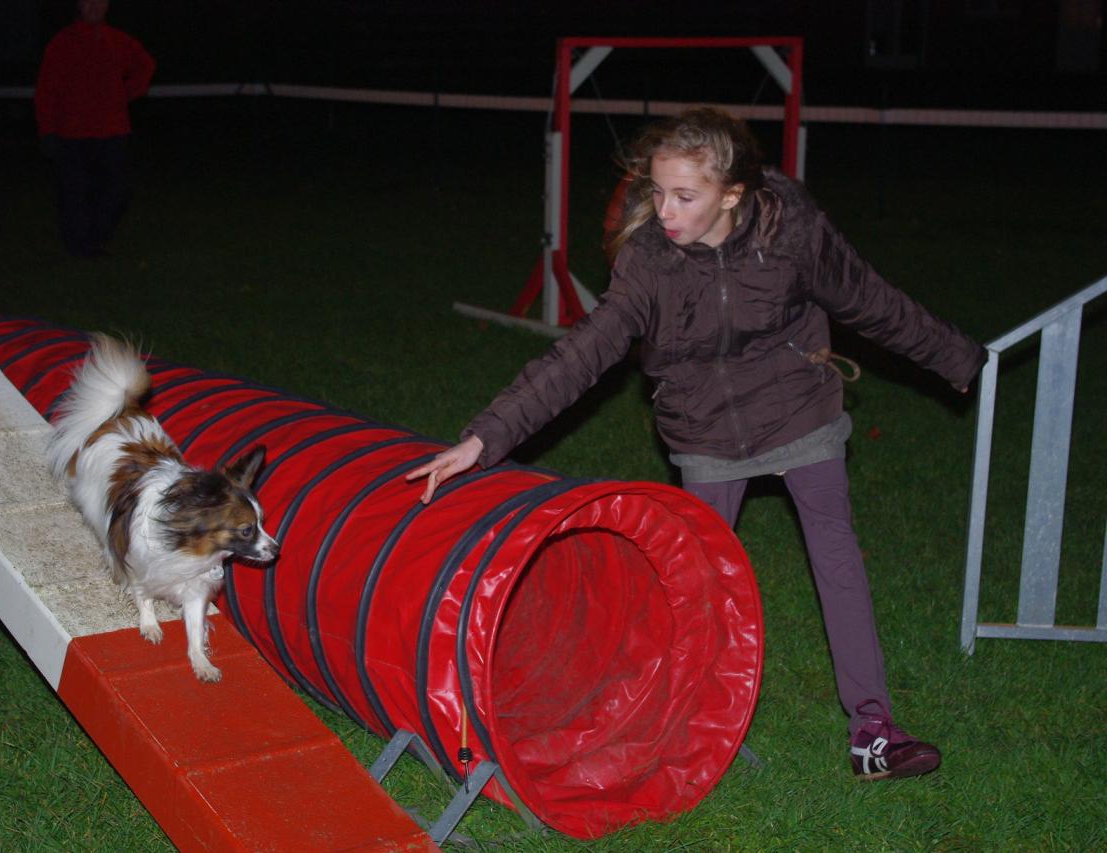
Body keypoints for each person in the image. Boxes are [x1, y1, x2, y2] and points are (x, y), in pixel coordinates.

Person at [408, 106, 985, 781]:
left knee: (838, 559)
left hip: (798, 406)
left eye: (684, 195)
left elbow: (867, 298)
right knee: (696, 586)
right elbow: (583, 352)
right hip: (706, 428)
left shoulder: (788, 228)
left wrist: (958, 357)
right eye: (657, 192)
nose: (665, 210)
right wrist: (485, 436)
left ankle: (873, 730)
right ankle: (684, 726)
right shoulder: (651, 258)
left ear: (732, 194)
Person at [34, 0, 155, 257]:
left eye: (99, 2)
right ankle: (79, 248)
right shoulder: (62, 43)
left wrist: (126, 94)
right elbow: (46, 91)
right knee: (74, 194)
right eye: (88, 2)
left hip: (112, 131)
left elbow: (145, 65)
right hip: (71, 133)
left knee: (116, 190)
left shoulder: (117, 40)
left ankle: (96, 239)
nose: (94, 7)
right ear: (78, 6)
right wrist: (48, 130)